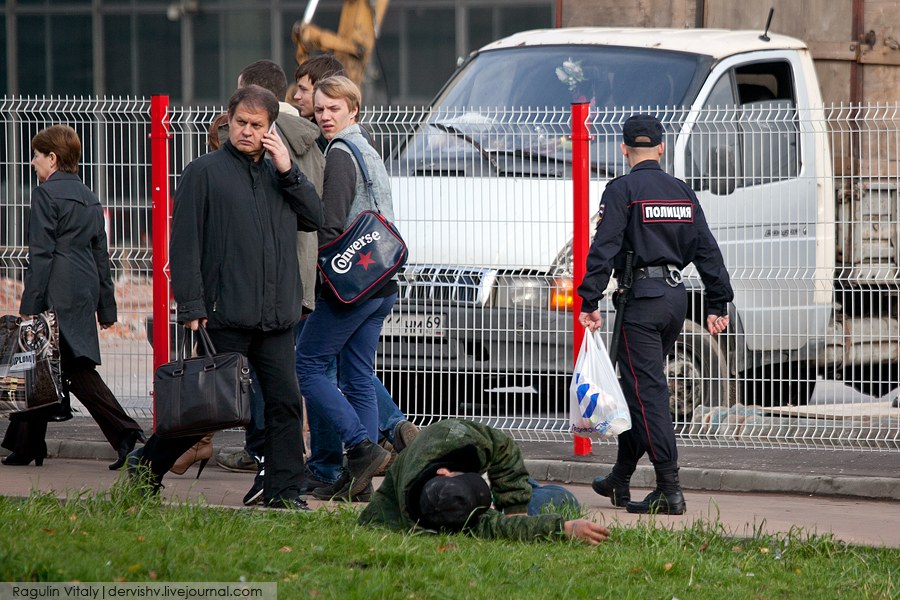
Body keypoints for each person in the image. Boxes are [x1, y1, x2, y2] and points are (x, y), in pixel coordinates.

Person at [126, 85, 324, 511]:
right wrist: (191, 305)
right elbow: (185, 244)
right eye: (240, 123)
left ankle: (285, 492)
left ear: (271, 128)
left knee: (285, 403)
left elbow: (316, 219)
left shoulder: (280, 173)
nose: (247, 131)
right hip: (224, 313)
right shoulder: (204, 172)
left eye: (256, 125)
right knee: (205, 409)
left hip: (276, 316)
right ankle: (146, 466)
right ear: (228, 121)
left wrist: (288, 170)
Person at [577, 114, 733, 515]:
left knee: (647, 394)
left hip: (642, 303)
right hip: (675, 300)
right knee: (638, 389)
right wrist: (718, 302)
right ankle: (620, 477)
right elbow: (707, 249)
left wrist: (589, 299)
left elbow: (605, 246)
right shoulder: (682, 191)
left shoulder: (622, 190)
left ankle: (669, 488)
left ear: (624, 149)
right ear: (661, 148)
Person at [2, 125, 145, 470]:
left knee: (72, 368)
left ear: (52, 158)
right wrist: (106, 306)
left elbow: (41, 255)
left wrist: (29, 305)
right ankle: (26, 444)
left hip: (56, 289)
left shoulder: (45, 195)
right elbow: (101, 256)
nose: (32, 162)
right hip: (82, 289)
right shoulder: (89, 196)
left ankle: (126, 434)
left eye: (36, 155)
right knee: (39, 364)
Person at [296, 75, 398, 502]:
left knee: (306, 365)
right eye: (319, 109)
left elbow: (331, 225)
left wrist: (315, 276)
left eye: (333, 109)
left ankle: (360, 447)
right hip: (382, 281)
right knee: (358, 376)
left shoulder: (339, 153)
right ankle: (361, 483)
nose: (324, 116)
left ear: (353, 110)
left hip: (350, 287)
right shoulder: (368, 149)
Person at [358, 418, 610, 545]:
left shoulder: (451, 436)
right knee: (563, 498)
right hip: (477, 485)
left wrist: (515, 508)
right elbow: (502, 528)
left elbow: (503, 447)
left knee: (517, 483)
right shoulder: (457, 521)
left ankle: (516, 487)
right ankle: (525, 489)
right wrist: (565, 528)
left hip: (487, 467)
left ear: (444, 472)